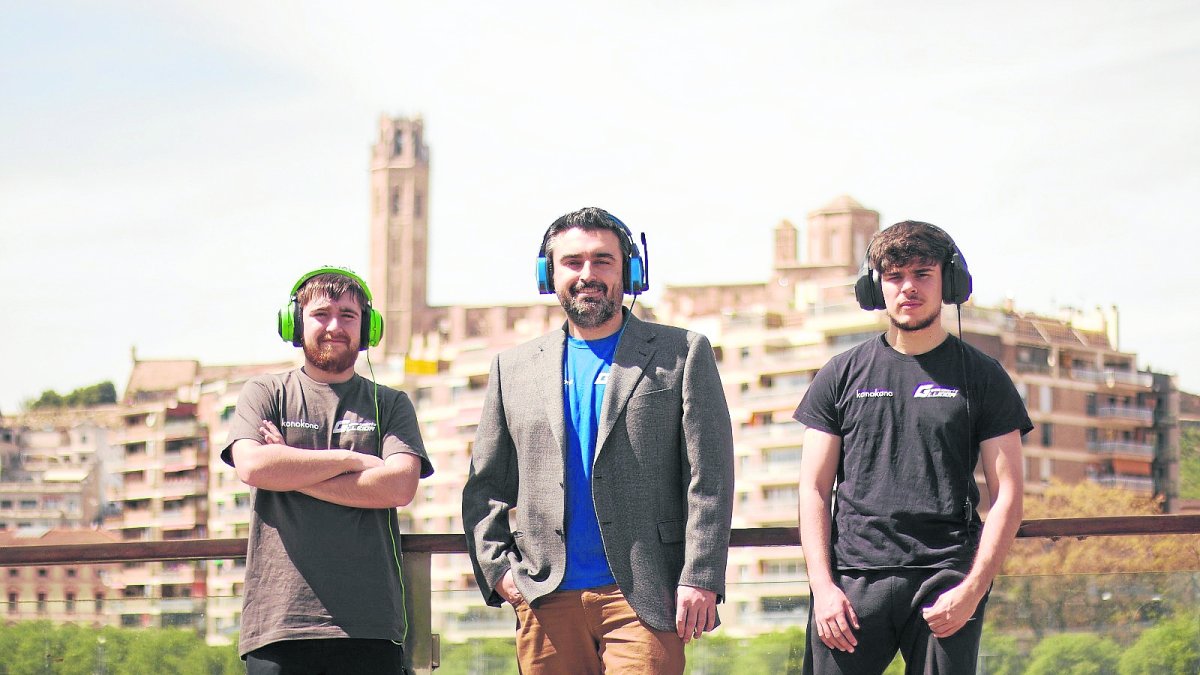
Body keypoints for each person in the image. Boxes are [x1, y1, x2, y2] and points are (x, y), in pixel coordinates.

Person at [462, 207, 735, 674]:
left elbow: (709, 476)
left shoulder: (683, 351)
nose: (587, 274)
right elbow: (485, 486)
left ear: (630, 271)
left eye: (603, 260)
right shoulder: (513, 368)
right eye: (572, 262)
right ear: (549, 276)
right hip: (544, 598)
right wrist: (501, 573)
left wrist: (701, 576)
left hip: (645, 596)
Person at [794, 221, 1030, 675]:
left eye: (923, 274)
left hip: (946, 581)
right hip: (852, 582)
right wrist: (823, 588)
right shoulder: (840, 374)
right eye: (894, 276)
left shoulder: (983, 376)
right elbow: (813, 489)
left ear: (949, 282)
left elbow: (1009, 495)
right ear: (874, 286)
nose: (908, 288)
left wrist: (973, 589)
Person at [222, 267, 434, 675]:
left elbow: (398, 486)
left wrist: (289, 468)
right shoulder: (265, 393)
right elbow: (253, 465)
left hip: (370, 626)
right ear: (294, 323)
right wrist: (354, 461)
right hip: (279, 625)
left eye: (348, 316)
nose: (334, 326)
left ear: (368, 327)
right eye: (321, 314)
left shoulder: (390, 404)